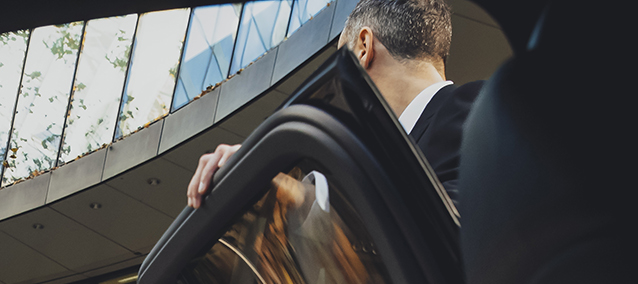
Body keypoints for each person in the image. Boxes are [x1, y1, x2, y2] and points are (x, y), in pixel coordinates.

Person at [186, 0, 484, 209]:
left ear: (363, 48)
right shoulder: (456, 125)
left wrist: (303, 199)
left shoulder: (481, 114)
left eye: (342, 58)